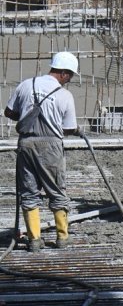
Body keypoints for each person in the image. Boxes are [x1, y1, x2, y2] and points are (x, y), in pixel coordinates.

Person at [4, 52, 81, 252]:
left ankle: (34, 241)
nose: (69, 80)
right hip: (51, 147)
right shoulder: (64, 95)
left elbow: (9, 112)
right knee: (56, 191)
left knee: (29, 192)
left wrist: (28, 115)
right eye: (70, 75)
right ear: (63, 73)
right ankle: (62, 238)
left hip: (26, 144)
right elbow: (68, 128)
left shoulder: (26, 85)